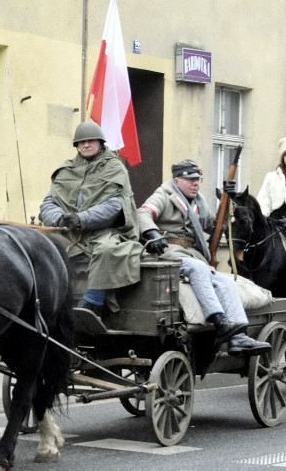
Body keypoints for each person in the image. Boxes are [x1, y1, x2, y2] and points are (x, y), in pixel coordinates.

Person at [137, 159, 269, 353]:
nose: (195, 183)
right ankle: (219, 320)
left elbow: (213, 226)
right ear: (177, 180)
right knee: (198, 268)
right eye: (190, 179)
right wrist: (153, 233)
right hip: (168, 253)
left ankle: (238, 336)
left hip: (192, 254)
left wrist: (228, 200)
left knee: (227, 282)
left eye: (198, 179)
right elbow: (143, 213)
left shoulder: (198, 201)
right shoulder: (164, 194)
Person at [40, 120, 141, 318]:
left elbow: (114, 206)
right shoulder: (66, 170)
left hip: (105, 232)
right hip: (68, 233)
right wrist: (58, 218)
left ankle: (93, 301)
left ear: (100, 143)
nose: (86, 145)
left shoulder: (114, 168)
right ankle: (45, 297)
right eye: (81, 142)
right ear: (76, 146)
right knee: (41, 246)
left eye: (91, 141)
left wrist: (81, 218)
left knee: (107, 250)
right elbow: (48, 202)